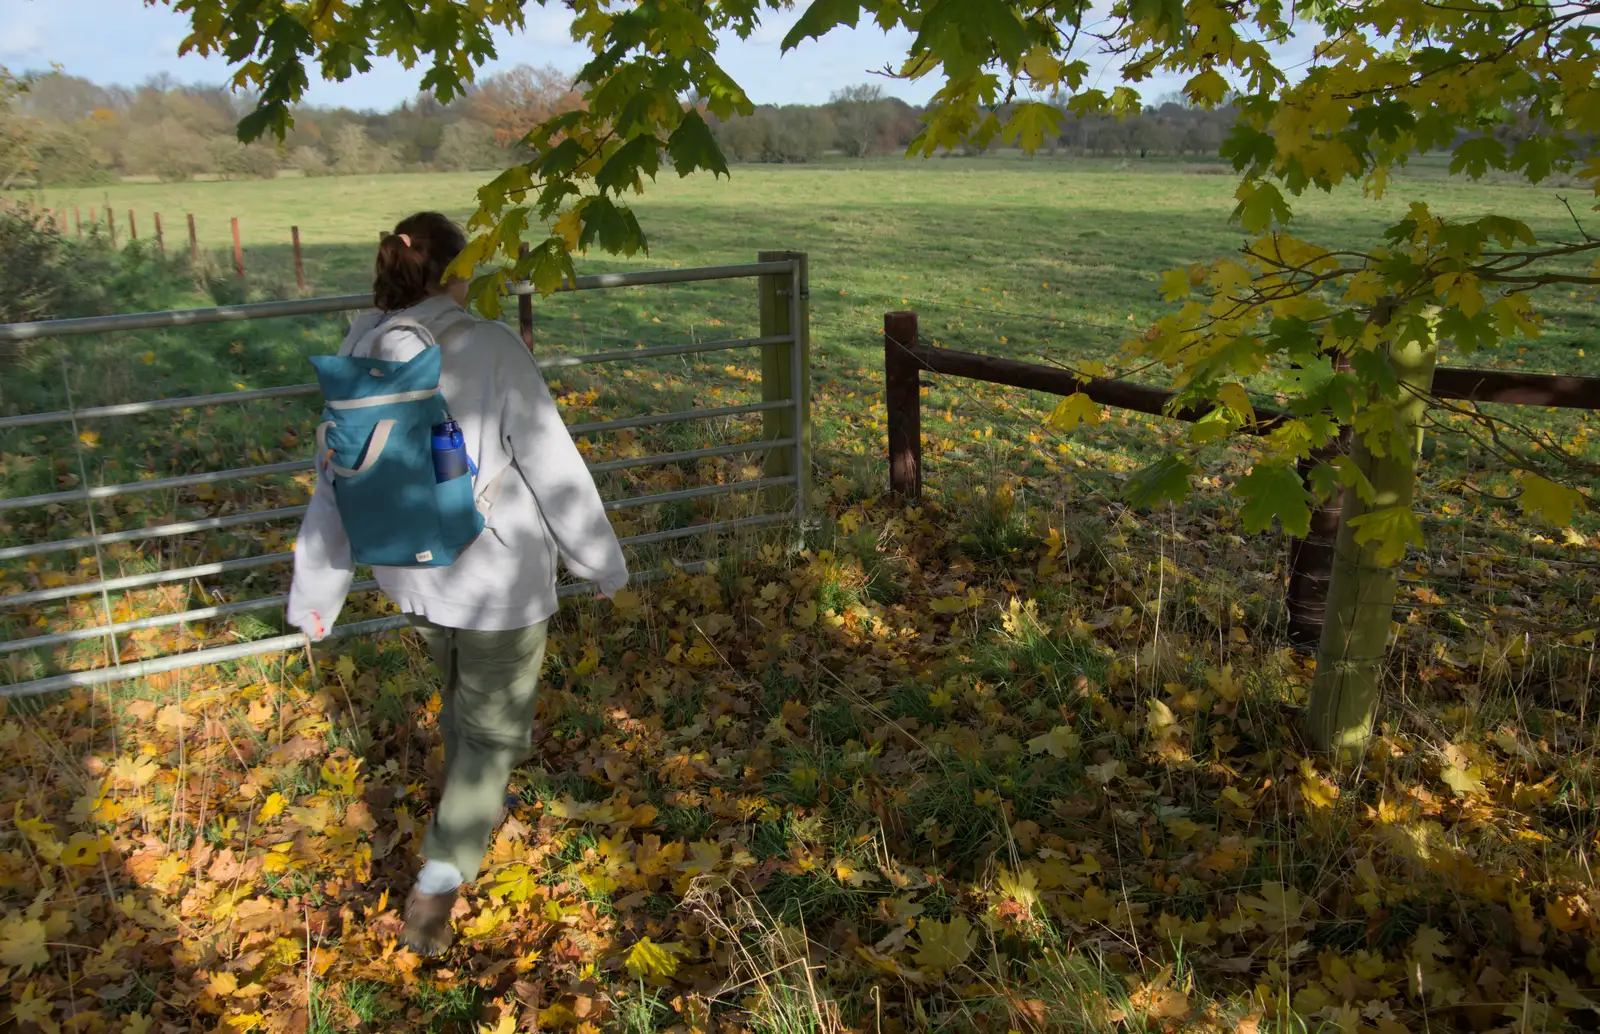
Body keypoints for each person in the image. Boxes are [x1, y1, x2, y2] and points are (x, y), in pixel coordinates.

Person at [286, 211, 628, 955]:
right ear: (458, 270)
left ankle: (464, 807)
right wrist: (598, 560)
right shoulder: (490, 346)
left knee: (460, 705)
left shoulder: (364, 350)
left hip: (410, 572)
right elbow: (551, 461)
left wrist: (317, 593)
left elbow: (335, 481)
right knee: (494, 731)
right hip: (499, 577)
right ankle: (439, 881)